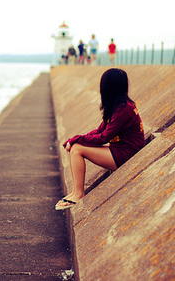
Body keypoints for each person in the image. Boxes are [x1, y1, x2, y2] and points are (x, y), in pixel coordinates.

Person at [55, 68, 145, 210]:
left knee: (77, 149)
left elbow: (104, 137)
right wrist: (76, 139)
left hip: (127, 154)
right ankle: (74, 192)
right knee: (76, 146)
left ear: (108, 88)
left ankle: (78, 194)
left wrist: (76, 140)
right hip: (120, 150)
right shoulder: (118, 107)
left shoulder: (124, 109)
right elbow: (99, 130)